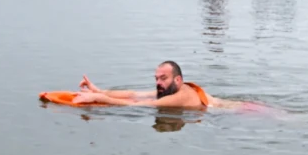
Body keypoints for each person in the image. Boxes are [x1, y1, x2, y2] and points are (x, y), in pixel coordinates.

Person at [72, 60, 258, 110]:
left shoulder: (181, 96)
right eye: (156, 79)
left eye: (163, 78)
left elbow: (140, 105)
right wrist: (99, 90)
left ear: (178, 80)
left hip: (245, 112)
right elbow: (135, 95)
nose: (158, 83)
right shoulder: (169, 91)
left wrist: (98, 99)